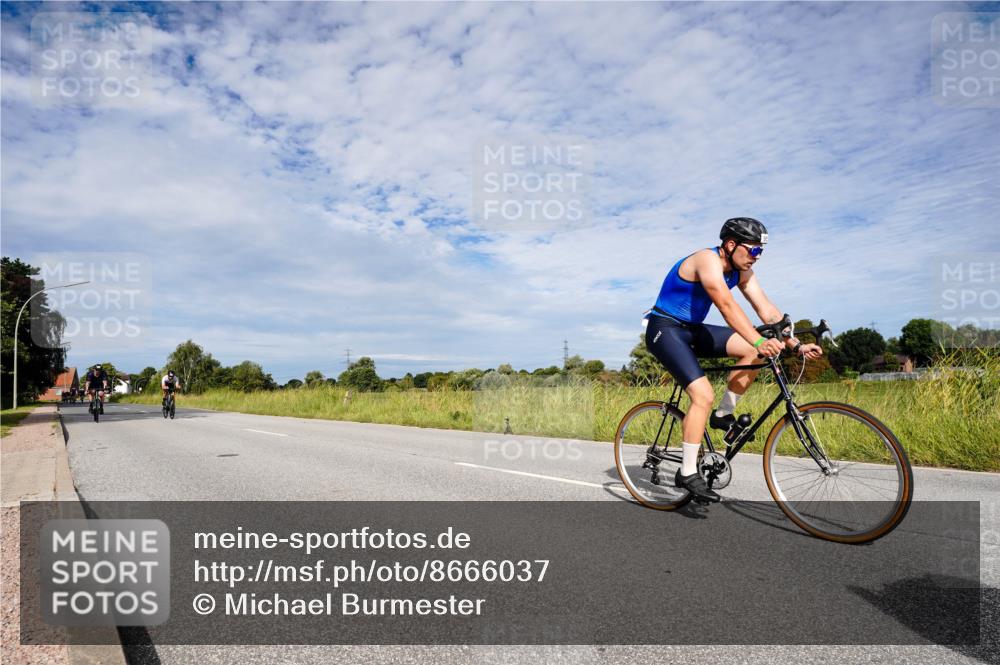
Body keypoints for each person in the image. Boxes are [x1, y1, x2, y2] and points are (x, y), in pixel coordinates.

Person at [645, 217, 823, 503]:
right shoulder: (707, 260)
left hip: (693, 330)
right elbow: (726, 306)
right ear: (731, 245)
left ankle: (723, 415)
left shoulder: (741, 272)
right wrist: (759, 340)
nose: (757, 258)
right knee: (702, 394)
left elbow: (766, 309)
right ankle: (687, 472)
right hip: (665, 329)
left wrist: (795, 343)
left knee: (751, 351)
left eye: (760, 252)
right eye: (753, 250)